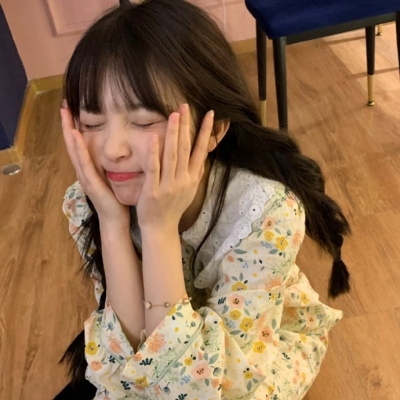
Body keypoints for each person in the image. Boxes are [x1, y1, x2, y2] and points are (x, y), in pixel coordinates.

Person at [56, 0, 351, 399]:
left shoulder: (265, 211)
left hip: (251, 353)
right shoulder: (90, 201)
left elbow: (196, 389)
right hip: (172, 344)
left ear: (214, 130)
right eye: (92, 123)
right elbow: (125, 359)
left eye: (144, 121)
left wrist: (158, 228)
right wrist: (112, 224)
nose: (112, 150)